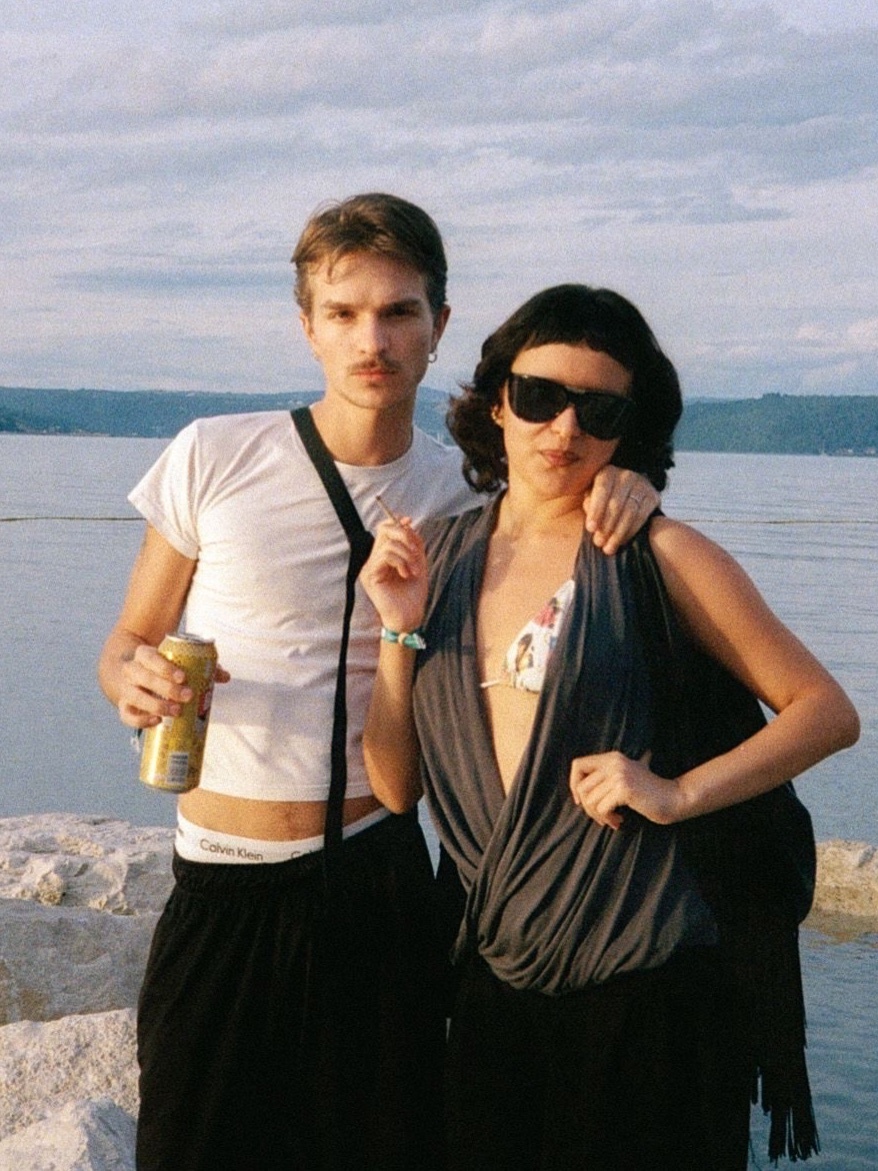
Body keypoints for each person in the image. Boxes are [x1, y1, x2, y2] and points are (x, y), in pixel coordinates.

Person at [97, 196, 660, 1171]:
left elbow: (576, 489)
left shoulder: (466, 494)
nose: (373, 338)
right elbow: (127, 642)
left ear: (439, 327)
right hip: (221, 882)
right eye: (344, 311)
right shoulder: (213, 455)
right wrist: (132, 680)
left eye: (399, 311)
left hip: (379, 876)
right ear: (305, 325)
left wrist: (636, 481)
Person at [360, 283, 860, 1170]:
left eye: (599, 409)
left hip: (651, 1001)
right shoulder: (439, 556)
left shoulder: (658, 554)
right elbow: (399, 788)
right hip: (492, 994)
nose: (564, 430)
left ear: (631, 426)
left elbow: (826, 711)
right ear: (496, 402)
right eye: (541, 397)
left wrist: (676, 792)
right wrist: (398, 630)